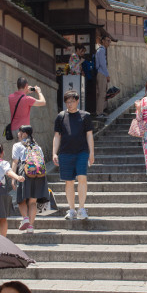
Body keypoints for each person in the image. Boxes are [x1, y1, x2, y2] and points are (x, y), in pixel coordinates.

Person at [52, 91, 95, 219]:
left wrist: (91, 152)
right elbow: (56, 136)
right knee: (69, 182)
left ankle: (81, 208)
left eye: (72, 101)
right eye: (67, 102)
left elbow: (89, 135)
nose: (70, 104)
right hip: (65, 153)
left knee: (82, 178)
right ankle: (71, 209)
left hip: (82, 152)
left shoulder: (85, 116)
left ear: (77, 101)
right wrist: (54, 152)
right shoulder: (61, 116)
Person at [11, 126, 49, 233]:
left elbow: (15, 162)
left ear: (24, 133)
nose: (18, 134)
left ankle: (25, 219)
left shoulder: (17, 146)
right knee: (33, 202)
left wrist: (13, 178)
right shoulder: (37, 146)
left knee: (21, 199)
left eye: (19, 132)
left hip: (25, 172)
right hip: (39, 175)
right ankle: (31, 227)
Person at [95, 35, 111, 117]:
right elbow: (102, 64)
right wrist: (107, 75)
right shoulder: (101, 50)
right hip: (102, 73)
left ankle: (100, 111)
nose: (109, 43)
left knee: (101, 93)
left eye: (109, 41)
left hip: (101, 73)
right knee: (102, 93)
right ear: (103, 41)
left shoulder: (101, 50)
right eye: (107, 41)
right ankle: (99, 112)